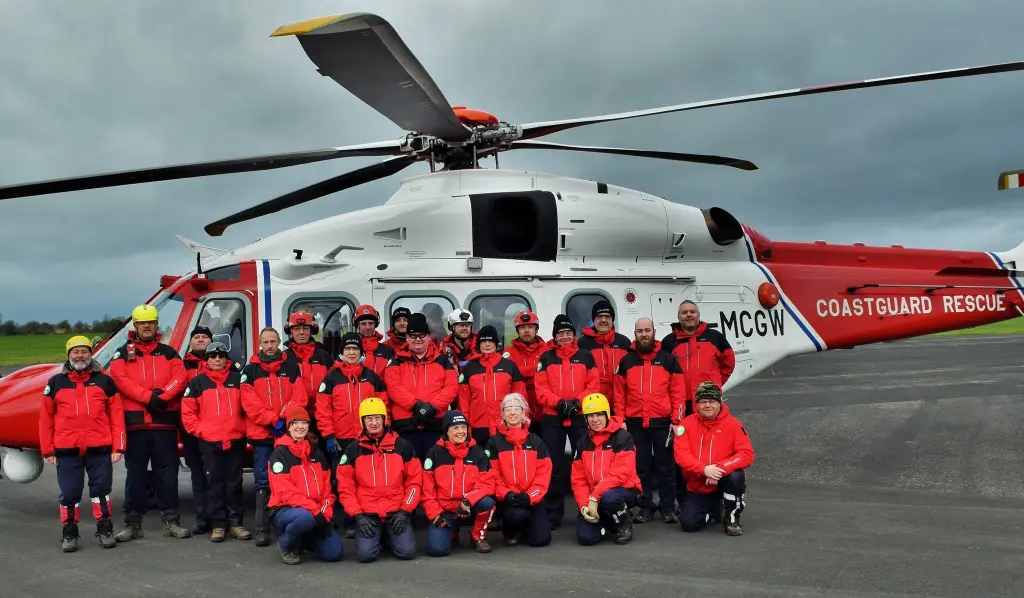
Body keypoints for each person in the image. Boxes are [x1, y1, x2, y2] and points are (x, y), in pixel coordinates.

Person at [108, 304, 191, 541]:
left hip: (164, 424)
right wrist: (149, 398)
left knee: (168, 473)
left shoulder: (169, 352)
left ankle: (171, 521)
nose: (147, 326)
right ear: (135, 326)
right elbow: (120, 379)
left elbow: (181, 377)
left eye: (151, 322)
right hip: (136, 425)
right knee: (136, 475)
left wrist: (163, 397)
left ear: (156, 325)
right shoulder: (121, 354)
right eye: (142, 323)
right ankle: (133, 524)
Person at [39, 336, 126, 552]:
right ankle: (70, 534)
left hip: (100, 449)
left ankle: (105, 530)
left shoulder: (105, 381)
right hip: (67, 451)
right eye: (76, 352)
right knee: (69, 494)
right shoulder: (55, 383)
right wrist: (47, 449)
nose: (80, 356)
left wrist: (119, 447)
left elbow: (117, 416)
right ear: (69, 355)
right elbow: (45, 419)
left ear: (90, 354)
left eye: (84, 351)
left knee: (101, 492)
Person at [613, 317, 685, 524]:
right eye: (639, 331)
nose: (644, 334)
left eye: (647, 330)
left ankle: (668, 507)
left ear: (654, 332)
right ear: (635, 334)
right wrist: (621, 419)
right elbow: (619, 394)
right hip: (635, 423)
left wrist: (677, 419)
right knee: (640, 467)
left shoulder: (668, 359)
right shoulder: (626, 361)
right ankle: (646, 507)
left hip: (662, 422)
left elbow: (678, 392)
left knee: (666, 467)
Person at [317, 331, 389, 537]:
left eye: (355, 349)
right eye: (347, 349)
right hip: (340, 439)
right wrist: (329, 435)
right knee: (343, 482)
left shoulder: (372, 377)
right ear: (341, 352)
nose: (351, 352)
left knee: (365, 480)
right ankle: (349, 520)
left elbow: (384, 408)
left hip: (366, 438)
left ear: (361, 352)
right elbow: (323, 409)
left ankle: (364, 519)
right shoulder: (331, 377)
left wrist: (383, 432)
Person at [240, 327, 308, 547]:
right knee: (262, 482)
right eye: (265, 342)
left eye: (273, 341)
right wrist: (273, 421)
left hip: (286, 434)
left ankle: (285, 525)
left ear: (279, 341)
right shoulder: (250, 371)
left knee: (289, 480)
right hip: (262, 435)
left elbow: (299, 398)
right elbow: (250, 404)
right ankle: (261, 529)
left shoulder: (291, 368)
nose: (269, 346)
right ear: (259, 344)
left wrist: (284, 419)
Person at [336, 397, 422, 563]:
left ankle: (388, 536)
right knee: (365, 556)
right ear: (362, 421)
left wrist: (405, 511)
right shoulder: (353, 449)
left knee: (408, 553)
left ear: (384, 419)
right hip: (368, 514)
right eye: (369, 419)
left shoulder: (402, 446)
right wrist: (358, 515)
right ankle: (380, 535)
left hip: (396, 512)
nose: (374, 423)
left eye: (377, 418)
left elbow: (415, 482)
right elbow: (345, 487)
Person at [534, 314, 600, 528]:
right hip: (553, 418)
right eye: (560, 333)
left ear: (574, 335)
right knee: (553, 467)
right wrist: (560, 403)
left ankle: (588, 508)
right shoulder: (546, 357)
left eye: (568, 333)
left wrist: (576, 403)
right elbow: (540, 388)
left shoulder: (586, 356)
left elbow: (593, 385)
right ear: (555, 336)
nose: (564, 336)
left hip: (580, 417)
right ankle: (554, 513)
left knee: (585, 464)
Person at [181, 342, 251, 542]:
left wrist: (243, 429)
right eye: (213, 356)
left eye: (221, 356)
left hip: (235, 440)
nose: (217, 360)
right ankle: (218, 525)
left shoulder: (238, 380)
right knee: (214, 484)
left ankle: (236, 523)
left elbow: (248, 408)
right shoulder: (197, 382)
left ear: (226, 359)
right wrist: (201, 431)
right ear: (207, 360)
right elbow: (188, 413)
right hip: (210, 442)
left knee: (235, 483)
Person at [673, 382, 754, 536]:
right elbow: (681, 454)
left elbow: (746, 454)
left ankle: (731, 518)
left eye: (712, 401)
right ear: (697, 404)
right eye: (703, 402)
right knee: (688, 524)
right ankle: (715, 509)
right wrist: (704, 470)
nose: (707, 405)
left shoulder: (733, 424)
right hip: (698, 484)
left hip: (723, 480)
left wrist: (718, 470)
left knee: (736, 476)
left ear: (719, 403)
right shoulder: (686, 425)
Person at [267, 406, 342, 565]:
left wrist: (325, 515)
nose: (300, 426)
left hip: (314, 513)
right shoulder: (280, 454)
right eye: (295, 422)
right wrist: (316, 513)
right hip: (285, 510)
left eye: (304, 422)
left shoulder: (317, 453)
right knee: (304, 518)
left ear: (308, 426)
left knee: (334, 553)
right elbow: (285, 492)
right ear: (288, 426)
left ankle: (302, 540)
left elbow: (328, 491)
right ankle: (286, 545)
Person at [383, 312, 459, 460]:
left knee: (434, 472)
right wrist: (416, 405)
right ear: (407, 338)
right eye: (413, 335)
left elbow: (452, 387)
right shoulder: (396, 361)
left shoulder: (442, 361)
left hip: (435, 427)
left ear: (428, 337)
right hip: (405, 429)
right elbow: (393, 387)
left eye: (421, 335)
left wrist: (432, 407)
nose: (418, 339)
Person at [571, 392, 642, 546]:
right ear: (585, 419)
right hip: (593, 499)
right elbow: (578, 480)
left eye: (599, 414)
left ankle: (624, 524)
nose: (595, 420)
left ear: (607, 415)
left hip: (624, 490)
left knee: (610, 497)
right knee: (586, 538)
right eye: (590, 416)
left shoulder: (623, 437)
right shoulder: (582, 443)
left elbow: (619, 475)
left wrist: (594, 497)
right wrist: (584, 506)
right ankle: (610, 521)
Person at [422, 411, 497, 555]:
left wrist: (469, 500)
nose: (461, 431)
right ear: (446, 431)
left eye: (464, 427)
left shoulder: (478, 452)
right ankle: (451, 532)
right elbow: (427, 490)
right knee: (437, 550)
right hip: (445, 511)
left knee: (488, 503)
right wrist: (435, 514)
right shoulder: (434, 453)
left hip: (469, 507)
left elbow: (486, 483)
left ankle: (477, 536)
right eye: (455, 428)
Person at [484, 393, 552, 548]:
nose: (512, 412)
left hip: (532, 498)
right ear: (503, 414)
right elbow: (492, 474)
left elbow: (544, 474)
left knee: (541, 540)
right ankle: (510, 530)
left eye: (516, 408)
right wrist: (507, 495)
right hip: (509, 499)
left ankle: (528, 527)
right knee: (516, 515)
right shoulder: (494, 443)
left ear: (523, 413)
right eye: (508, 408)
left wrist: (530, 496)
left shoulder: (536, 441)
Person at [660, 300, 736, 416]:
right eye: (684, 312)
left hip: (708, 400)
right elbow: (662, 372)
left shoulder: (715, 337)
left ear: (698, 315)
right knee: (684, 433)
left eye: (692, 312)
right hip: (681, 402)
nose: (689, 315)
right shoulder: (668, 342)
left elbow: (728, 363)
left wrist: (716, 383)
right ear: (678, 317)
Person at [457, 325, 526, 447]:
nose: (487, 344)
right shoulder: (470, 368)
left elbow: (520, 398)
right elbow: (463, 402)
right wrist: (465, 428)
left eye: (490, 341)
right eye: (483, 341)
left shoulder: (509, 366)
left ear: (496, 343)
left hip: (505, 425)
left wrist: (521, 425)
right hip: (478, 426)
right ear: (479, 345)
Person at [283, 311, 332, 424]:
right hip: (294, 417)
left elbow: (332, 386)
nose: (301, 332)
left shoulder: (324, 356)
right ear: (290, 331)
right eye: (296, 329)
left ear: (311, 331)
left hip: (321, 415)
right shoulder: (284, 357)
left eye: (305, 328)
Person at [577, 299, 631, 401]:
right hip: (594, 402)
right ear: (593, 319)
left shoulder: (624, 342)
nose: (603, 320)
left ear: (612, 319)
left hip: (621, 400)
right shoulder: (582, 344)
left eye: (607, 316)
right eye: (599, 316)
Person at [503, 310, 546, 435]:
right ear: (517, 330)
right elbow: (508, 376)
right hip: (518, 411)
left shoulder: (547, 350)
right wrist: (536, 368)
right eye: (522, 327)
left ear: (536, 329)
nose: (526, 331)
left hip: (544, 409)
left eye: (530, 327)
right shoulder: (508, 352)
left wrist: (520, 370)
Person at [353, 304, 396, 378]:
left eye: (371, 323)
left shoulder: (387, 351)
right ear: (357, 326)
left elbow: (393, 377)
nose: (368, 327)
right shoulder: (350, 350)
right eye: (363, 324)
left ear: (375, 325)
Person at [440, 308, 479, 376]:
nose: (465, 328)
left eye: (467, 325)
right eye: (461, 325)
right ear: (451, 327)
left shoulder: (480, 345)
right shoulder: (444, 349)